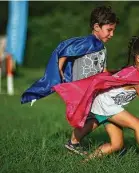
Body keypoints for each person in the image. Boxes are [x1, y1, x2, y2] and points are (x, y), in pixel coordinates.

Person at [53, 36, 139, 169]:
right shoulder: (136, 77)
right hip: (105, 104)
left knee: (116, 144)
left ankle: (82, 165)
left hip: (109, 106)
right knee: (138, 124)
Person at [20, 6, 124, 154]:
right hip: (83, 90)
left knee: (101, 116)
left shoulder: (102, 48)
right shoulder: (87, 42)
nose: (112, 34)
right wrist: (60, 70)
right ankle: (81, 143)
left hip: (95, 90)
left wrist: (112, 81)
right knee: (102, 116)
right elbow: (64, 51)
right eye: (109, 30)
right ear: (96, 27)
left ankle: (116, 145)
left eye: (113, 30)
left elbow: (103, 69)